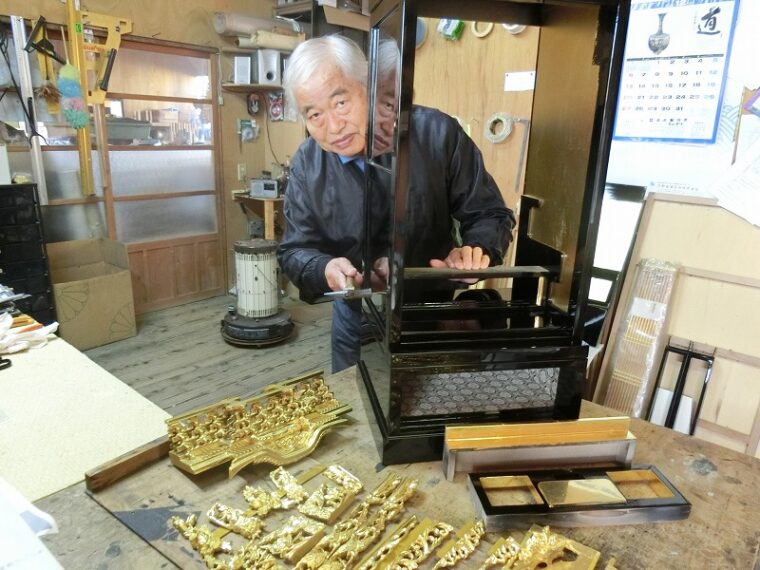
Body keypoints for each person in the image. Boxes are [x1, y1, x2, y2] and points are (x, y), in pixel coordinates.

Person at [277, 35, 515, 373]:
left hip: (432, 311)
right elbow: (294, 250)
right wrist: (324, 269)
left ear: (368, 88)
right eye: (314, 114)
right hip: (355, 315)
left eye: (340, 102)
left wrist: (476, 248)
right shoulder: (307, 164)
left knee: (427, 395)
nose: (333, 126)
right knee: (356, 393)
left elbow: (490, 213)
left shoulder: (436, 134)